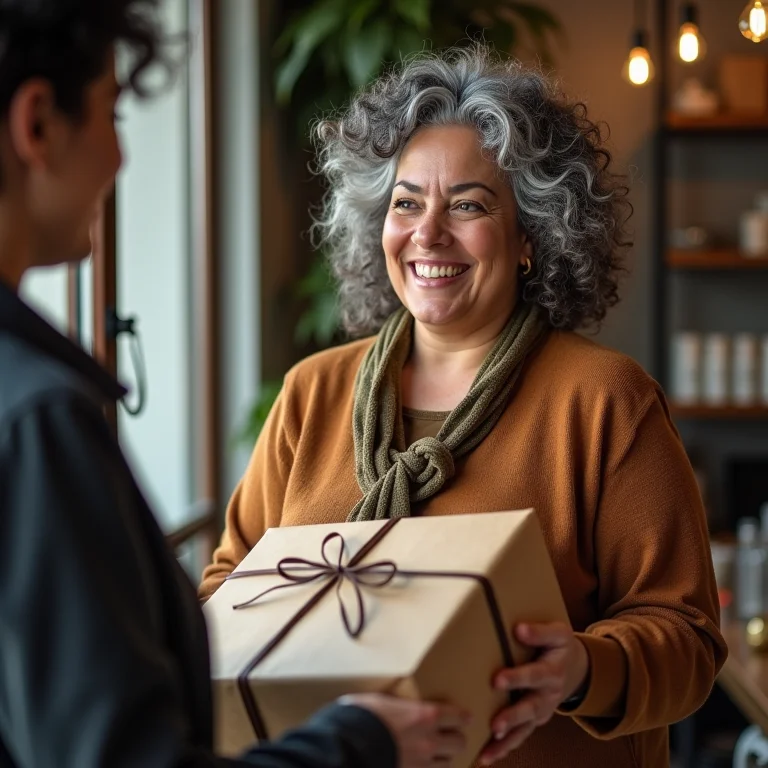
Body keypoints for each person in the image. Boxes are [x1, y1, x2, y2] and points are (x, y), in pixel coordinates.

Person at [200, 45, 728, 768]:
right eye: (406, 202)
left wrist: (579, 668)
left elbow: (687, 637)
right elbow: (230, 586)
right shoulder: (311, 394)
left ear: (531, 238)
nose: (428, 233)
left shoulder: (606, 402)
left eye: (469, 205)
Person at [0, 1, 470, 767]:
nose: (122, 158)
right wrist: (362, 744)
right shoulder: (38, 420)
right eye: (111, 116)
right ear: (38, 124)